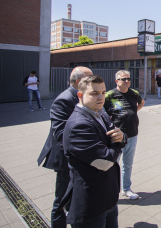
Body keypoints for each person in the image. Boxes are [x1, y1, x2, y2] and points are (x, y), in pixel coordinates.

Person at [62, 75, 126, 227]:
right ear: (80, 95)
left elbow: (117, 134)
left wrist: (122, 136)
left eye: (103, 93)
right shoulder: (79, 124)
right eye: (94, 93)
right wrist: (118, 143)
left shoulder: (101, 113)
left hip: (108, 198)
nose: (100, 97)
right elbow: (105, 162)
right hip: (91, 204)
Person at [37, 66, 93, 228]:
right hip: (65, 159)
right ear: (78, 81)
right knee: (61, 200)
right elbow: (60, 133)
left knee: (74, 197)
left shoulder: (81, 97)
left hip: (78, 157)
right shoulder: (64, 99)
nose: (91, 81)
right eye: (88, 78)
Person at [104, 70, 144, 200]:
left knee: (128, 164)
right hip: (116, 136)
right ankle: (110, 190)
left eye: (128, 79)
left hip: (132, 134)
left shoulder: (134, 93)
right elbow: (101, 112)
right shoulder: (110, 95)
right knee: (113, 164)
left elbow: (141, 102)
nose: (127, 81)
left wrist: (133, 112)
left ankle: (126, 189)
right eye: (123, 79)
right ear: (117, 81)